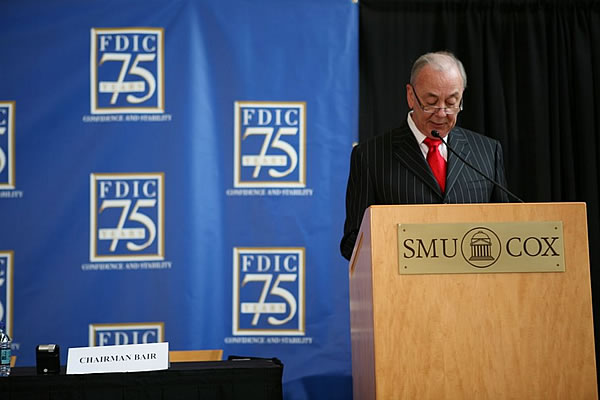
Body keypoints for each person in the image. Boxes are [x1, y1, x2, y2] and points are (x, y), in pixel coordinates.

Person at [340, 51, 509, 261]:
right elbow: (352, 242)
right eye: (431, 102)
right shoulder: (370, 156)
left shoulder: (487, 152)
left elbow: (506, 228)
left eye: (451, 102)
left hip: (475, 287)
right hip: (403, 287)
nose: (441, 113)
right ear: (411, 96)